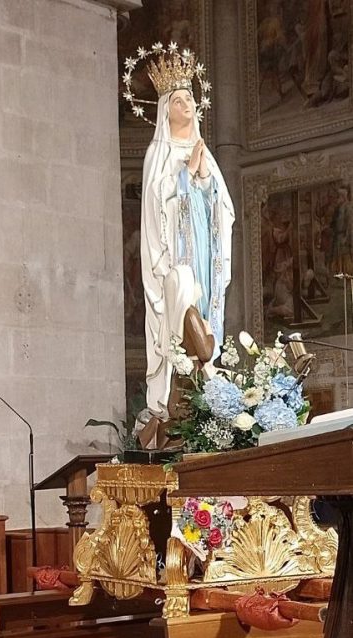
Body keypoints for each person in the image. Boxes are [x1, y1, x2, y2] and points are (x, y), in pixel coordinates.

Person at [140, 49, 235, 425]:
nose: (186, 106)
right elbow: (153, 205)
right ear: (165, 110)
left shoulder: (204, 152)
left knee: (205, 299)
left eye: (190, 99)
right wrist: (184, 176)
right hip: (176, 255)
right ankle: (191, 359)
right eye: (177, 101)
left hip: (204, 249)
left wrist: (203, 178)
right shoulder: (157, 153)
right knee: (181, 288)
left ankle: (206, 360)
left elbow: (224, 209)